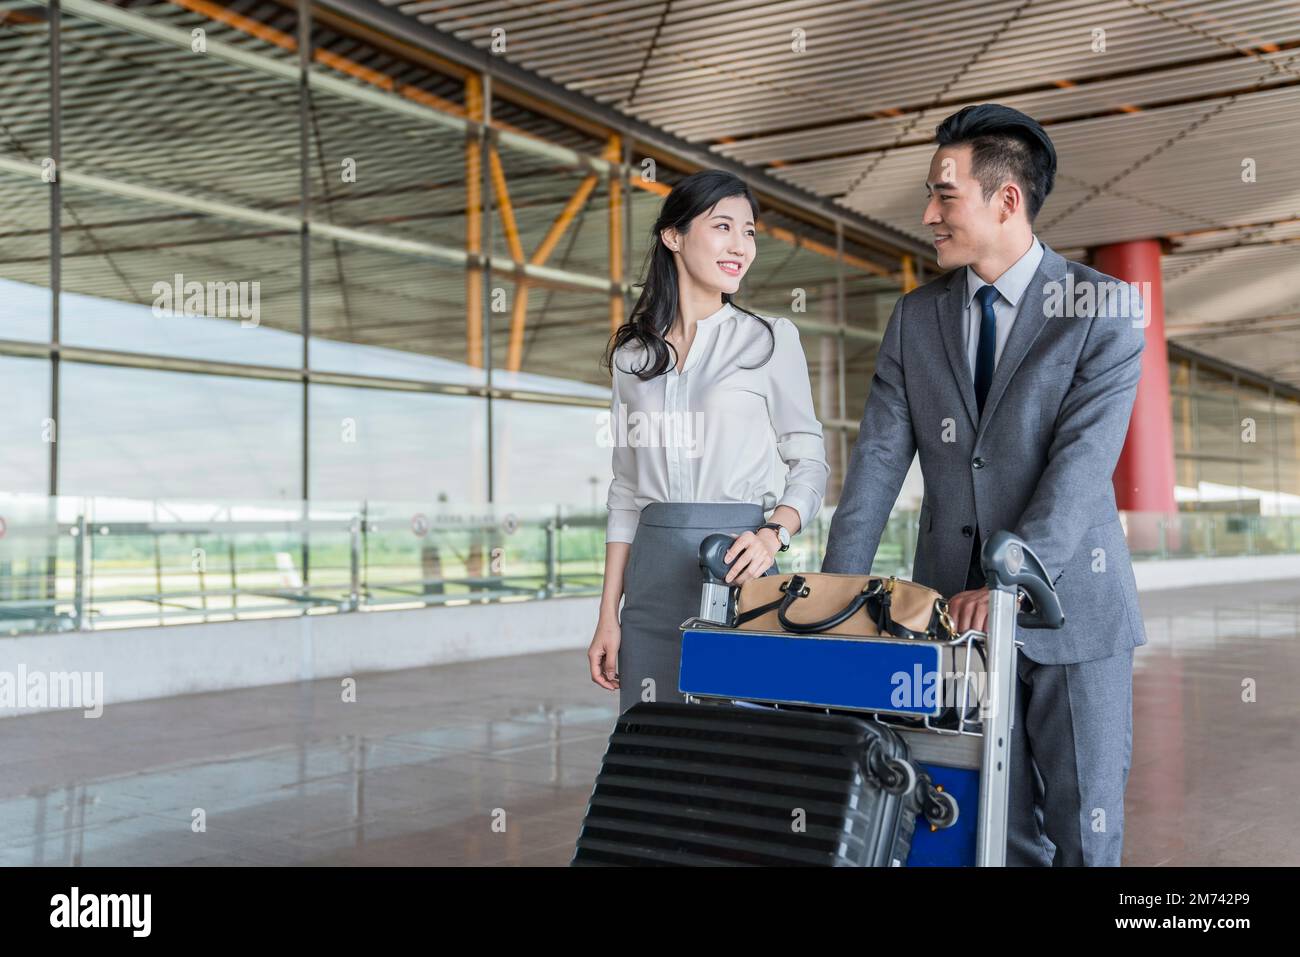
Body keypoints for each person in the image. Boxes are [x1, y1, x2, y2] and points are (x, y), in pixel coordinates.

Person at [821, 104, 1147, 866]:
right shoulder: (915, 318)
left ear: (1007, 200)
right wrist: (835, 593)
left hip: (1076, 614)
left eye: (944, 194)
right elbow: (875, 460)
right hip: (950, 625)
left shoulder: (1101, 308)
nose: (928, 214)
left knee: (1085, 832)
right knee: (980, 826)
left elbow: (1080, 461)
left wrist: (1011, 582)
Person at [587, 169, 830, 716]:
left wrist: (774, 535)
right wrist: (609, 615)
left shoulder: (768, 339)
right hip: (650, 581)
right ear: (673, 236)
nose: (741, 246)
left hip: (739, 566)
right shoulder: (632, 358)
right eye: (723, 227)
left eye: (749, 232)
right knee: (652, 741)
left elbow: (809, 460)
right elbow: (625, 493)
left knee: (737, 743)